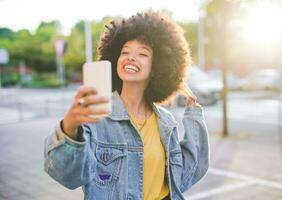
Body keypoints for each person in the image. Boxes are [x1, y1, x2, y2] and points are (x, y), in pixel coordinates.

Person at [44, 11, 209, 200]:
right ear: (115, 59)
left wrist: (194, 114)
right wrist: (69, 127)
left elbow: (185, 174)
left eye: (142, 53)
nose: (130, 57)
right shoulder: (95, 118)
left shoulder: (166, 121)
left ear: (157, 67)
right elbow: (69, 177)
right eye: (125, 52)